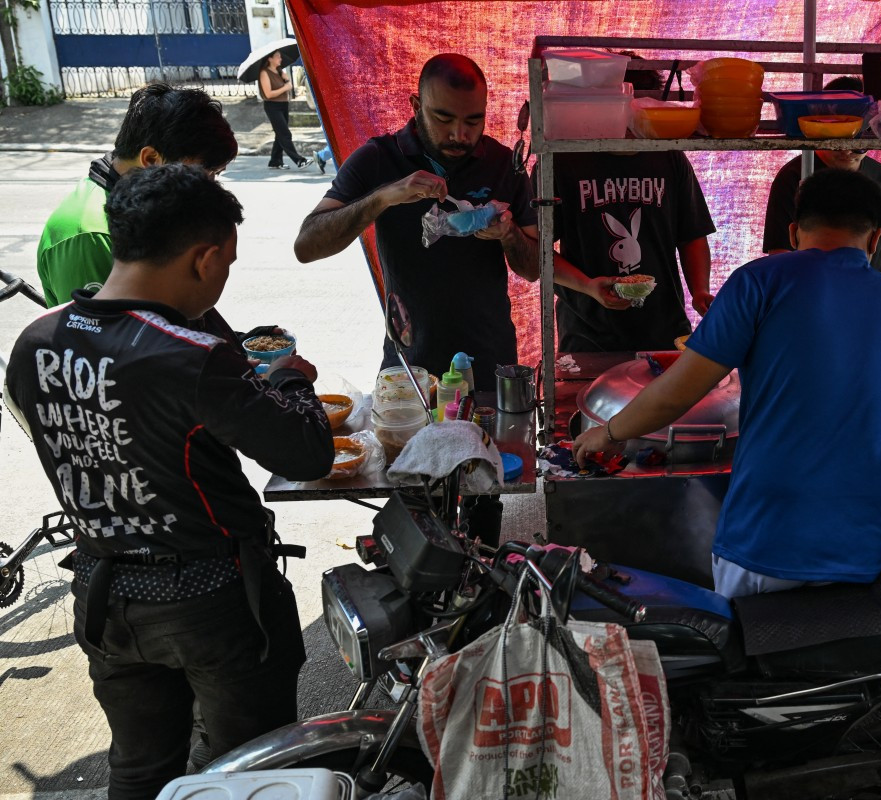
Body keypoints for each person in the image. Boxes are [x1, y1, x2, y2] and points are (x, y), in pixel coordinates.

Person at [4, 164, 334, 800]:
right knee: (247, 771)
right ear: (205, 258)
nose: (224, 277)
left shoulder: (34, 341)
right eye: (227, 263)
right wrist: (290, 377)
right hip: (212, 602)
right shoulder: (195, 357)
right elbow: (307, 453)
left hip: (105, 597)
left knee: (138, 769)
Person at [573, 168, 881, 598]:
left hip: (768, 538)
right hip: (864, 546)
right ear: (875, 239)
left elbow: (681, 390)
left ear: (794, 232)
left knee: (744, 651)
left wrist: (608, 433)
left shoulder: (760, 281)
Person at [294, 53, 539, 393]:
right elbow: (307, 246)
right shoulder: (379, 158)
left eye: (473, 120)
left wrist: (509, 234)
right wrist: (383, 197)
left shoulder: (501, 164)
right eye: (443, 118)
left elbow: (534, 269)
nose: (459, 134)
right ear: (415, 105)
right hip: (410, 365)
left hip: (489, 365)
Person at [545, 57, 716, 352]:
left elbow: (691, 234)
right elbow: (538, 254)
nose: (629, 132)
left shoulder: (668, 155)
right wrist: (587, 285)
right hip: (588, 332)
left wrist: (699, 290)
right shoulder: (562, 160)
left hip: (663, 328)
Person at [36, 83, 239, 307]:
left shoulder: (156, 205)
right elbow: (97, 335)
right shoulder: (91, 233)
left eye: (216, 175)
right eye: (205, 173)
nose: (209, 188)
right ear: (151, 160)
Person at [762, 77, 881, 284]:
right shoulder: (793, 177)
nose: (846, 151)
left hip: (866, 292)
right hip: (809, 290)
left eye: (858, 143)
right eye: (835, 141)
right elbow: (780, 251)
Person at [259, 50, 311, 171]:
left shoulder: (279, 71)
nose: (280, 58)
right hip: (272, 106)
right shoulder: (264, 73)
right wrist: (285, 87)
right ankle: (299, 160)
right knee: (285, 134)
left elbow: (288, 86)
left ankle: (275, 161)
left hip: (283, 105)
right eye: (277, 56)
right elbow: (268, 94)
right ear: (270, 59)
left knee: (280, 134)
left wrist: (286, 80)